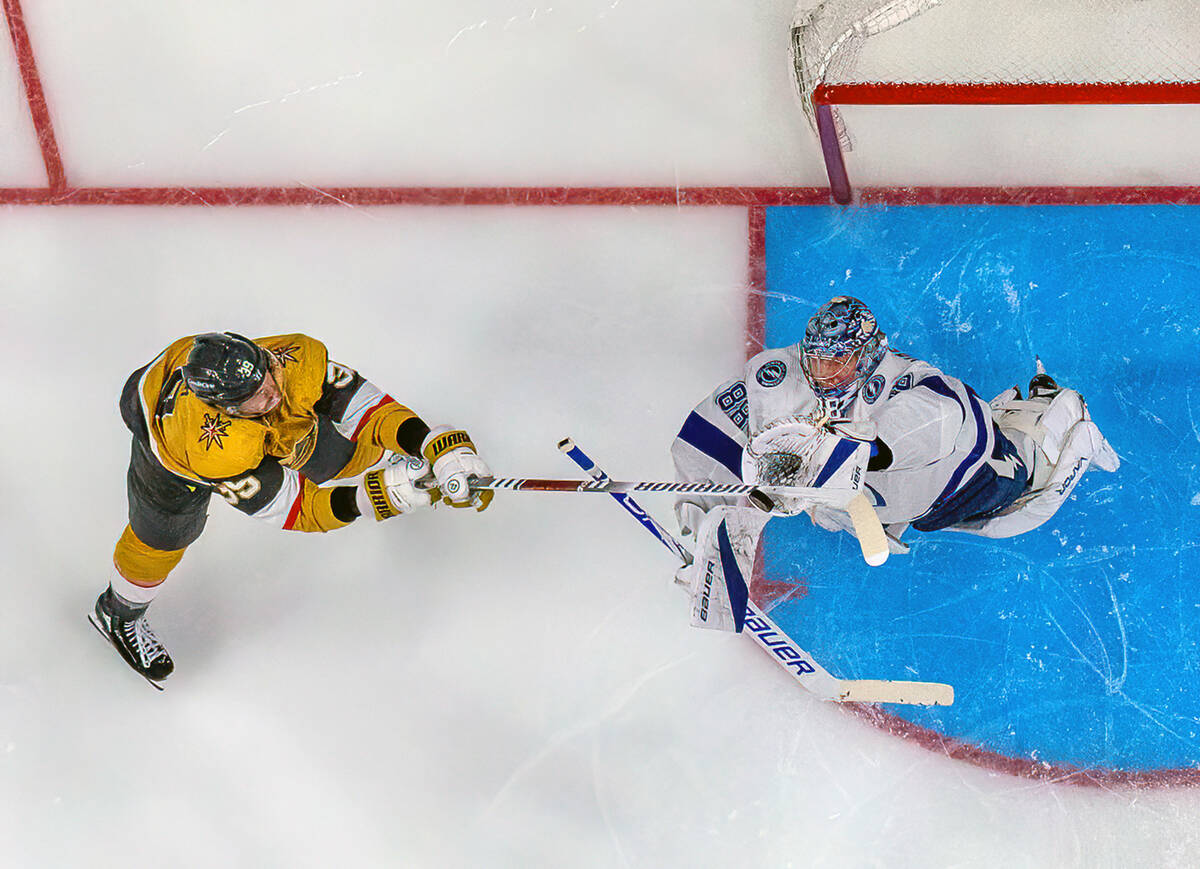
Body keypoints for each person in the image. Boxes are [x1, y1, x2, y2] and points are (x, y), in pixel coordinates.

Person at [670, 296, 1119, 631]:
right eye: (817, 358)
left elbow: (933, 418)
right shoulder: (780, 373)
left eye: (838, 362)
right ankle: (728, 542)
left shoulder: (907, 380)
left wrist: (851, 452)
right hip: (880, 504)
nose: (824, 372)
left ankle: (1067, 415)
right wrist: (697, 524)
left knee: (1033, 477)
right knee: (759, 480)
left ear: (867, 357)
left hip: (974, 481)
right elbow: (703, 439)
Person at [94, 332, 492, 684]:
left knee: (332, 447)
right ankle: (120, 612)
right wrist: (374, 499)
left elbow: (366, 408)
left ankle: (380, 463)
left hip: (214, 398)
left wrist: (430, 444)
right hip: (167, 453)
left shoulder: (290, 358)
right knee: (163, 535)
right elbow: (298, 509)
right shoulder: (212, 451)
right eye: (253, 396)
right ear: (227, 410)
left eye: (265, 374)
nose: (270, 390)